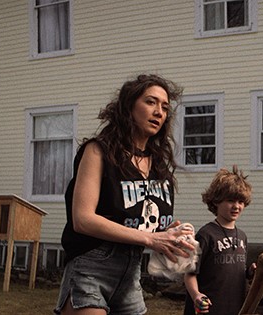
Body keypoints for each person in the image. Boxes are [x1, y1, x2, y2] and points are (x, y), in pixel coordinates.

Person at [54, 74, 195, 315]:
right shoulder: (98, 151)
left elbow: (144, 224)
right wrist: (151, 239)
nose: (159, 112)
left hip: (131, 277)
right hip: (91, 268)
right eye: (151, 102)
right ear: (128, 106)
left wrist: (170, 236)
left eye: (164, 107)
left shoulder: (158, 165)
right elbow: (82, 219)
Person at [183, 166, 256, 315]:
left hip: (234, 308)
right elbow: (190, 273)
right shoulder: (206, 235)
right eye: (230, 200)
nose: (236, 206)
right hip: (207, 309)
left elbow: (237, 271)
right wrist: (196, 295)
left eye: (241, 201)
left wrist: (250, 272)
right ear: (216, 201)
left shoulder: (242, 236)